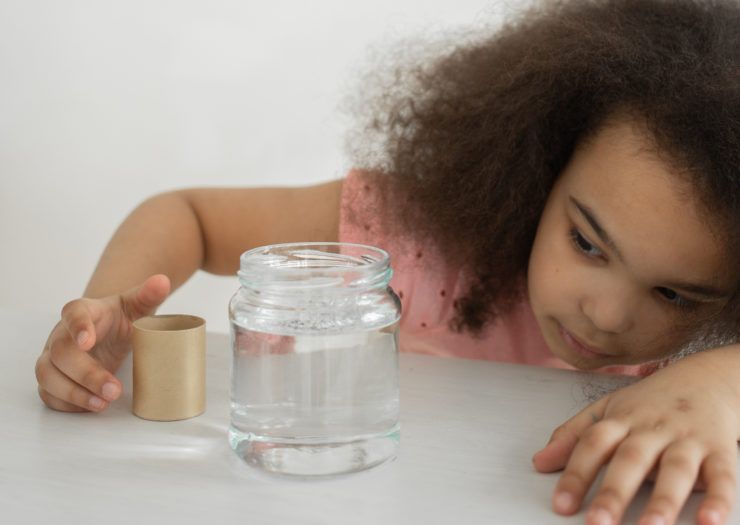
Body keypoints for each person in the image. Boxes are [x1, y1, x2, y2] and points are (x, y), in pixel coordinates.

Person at [34, 0, 740, 523]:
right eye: (587, 242)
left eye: (676, 295)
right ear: (540, 165)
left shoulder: (710, 364)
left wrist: (723, 378)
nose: (606, 312)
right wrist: (107, 314)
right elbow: (187, 213)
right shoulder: (418, 235)